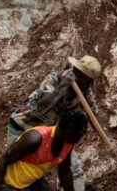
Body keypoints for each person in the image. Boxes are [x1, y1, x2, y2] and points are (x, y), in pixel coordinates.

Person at [7, 57, 101, 191]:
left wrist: (109, 138)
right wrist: (63, 85)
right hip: (23, 126)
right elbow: (42, 106)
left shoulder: (85, 90)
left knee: (73, 166)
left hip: (51, 132)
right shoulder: (55, 79)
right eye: (79, 74)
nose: (87, 84)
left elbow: (94, 115)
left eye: (89, 82)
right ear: (76, 71)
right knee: (18, 165)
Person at [0, 109, 88, 191]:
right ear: (66, 131)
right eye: (77, 136)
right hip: (8, 185)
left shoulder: (68, 143)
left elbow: (65, 174)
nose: (78, 140)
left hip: (31, 183)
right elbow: (3, 161)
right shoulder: (35, 139)